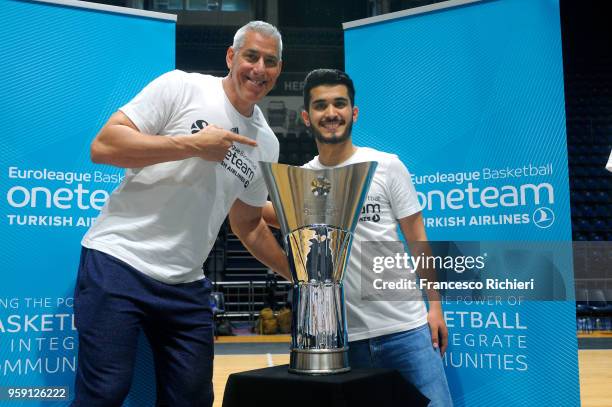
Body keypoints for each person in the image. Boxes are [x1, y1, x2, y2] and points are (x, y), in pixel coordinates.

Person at [73, 21, 290, 407]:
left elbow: (248, 225)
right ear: (231, 56)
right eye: (251, 56)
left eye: (270, 62)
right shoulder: (182, 86)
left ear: (278, 70)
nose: (259, 69)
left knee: (192, 400)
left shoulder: (266, 144)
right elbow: (104, 146)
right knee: (103, 394)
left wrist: (302, 277)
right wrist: (192, 145)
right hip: (118, 262)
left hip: (186, 283)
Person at [263, 69, 452, 406]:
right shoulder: (302, 179)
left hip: (405, 330)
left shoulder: (387, 166)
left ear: (354, 112)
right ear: (307, 116)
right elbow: (262, 214)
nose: (331, 113)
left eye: (340, 103)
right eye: (321, 106)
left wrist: (434, 307)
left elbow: (418, 239)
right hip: (343, 343)